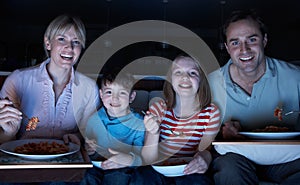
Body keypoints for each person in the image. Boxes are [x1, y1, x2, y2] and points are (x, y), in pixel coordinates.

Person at [208, 9, 300, 184]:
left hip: (286, 159)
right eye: (235, 42)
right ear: (227, 48)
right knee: (228, 168)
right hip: (236, 160)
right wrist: (220, 134)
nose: (244, 50)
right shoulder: (210, 84)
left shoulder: (296, 77)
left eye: (252, 39)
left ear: (264, 41)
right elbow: (196, 135)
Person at [0, 14, 100, 145]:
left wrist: (79, 138)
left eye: (76, 42)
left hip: (68, 160)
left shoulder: (90, 88)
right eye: (61, 39)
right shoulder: (17, 80)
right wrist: (8, 132)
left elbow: (88, 133)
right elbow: (3, 142)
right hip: (24, 158)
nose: (69, 47)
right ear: (48, 43)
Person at [130, 55, 221, 185]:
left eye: (192, 73)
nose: (185, 77)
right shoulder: (159, 109)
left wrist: (204, 159)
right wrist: (154, 132)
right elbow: (148, 159)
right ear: (170, 80)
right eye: (178, 72)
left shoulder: (211, 112)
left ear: (201, 80)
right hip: (158, 169)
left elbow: (205, 149)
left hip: (190, 169)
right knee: (142, 177)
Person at [81, 72, 145, 185]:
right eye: (109, 92)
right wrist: (89, 149)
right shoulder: (94, 119)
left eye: (122, 93)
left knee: (117, 178)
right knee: (85, 177)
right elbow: (89, 147)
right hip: (97, 166)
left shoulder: (139, 124)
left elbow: (141, 157)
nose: (115, 98)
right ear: (101, 94)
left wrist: (128, 160)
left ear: (131, 97)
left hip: (124, 168)